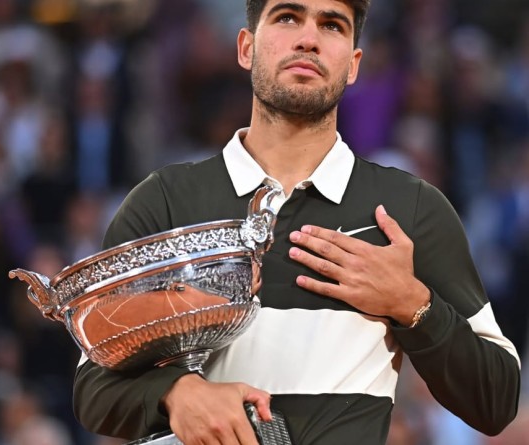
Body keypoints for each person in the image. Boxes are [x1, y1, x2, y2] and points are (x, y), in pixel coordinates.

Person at [72, 1, 521, 444]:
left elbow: (496, 401)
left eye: (332, 25)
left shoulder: (410, 209)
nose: (308, 39)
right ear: (246, 47)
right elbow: (93, 385)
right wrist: (176, 394)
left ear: (353, 64)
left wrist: (413, 304)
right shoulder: (166, 201)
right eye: (287, 17)